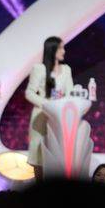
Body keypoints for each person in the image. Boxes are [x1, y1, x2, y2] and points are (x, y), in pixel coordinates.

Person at [25, 36, 74, 181]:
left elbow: (70, 93)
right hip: (41, 117)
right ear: (52, 49)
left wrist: (64, 106)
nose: (64, 51)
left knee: (57, 154)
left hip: (59, 118)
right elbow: (29, 93)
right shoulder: (39, 69)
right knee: (39, 156)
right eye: (61, 48)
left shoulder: (66, 69)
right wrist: (47, 104)